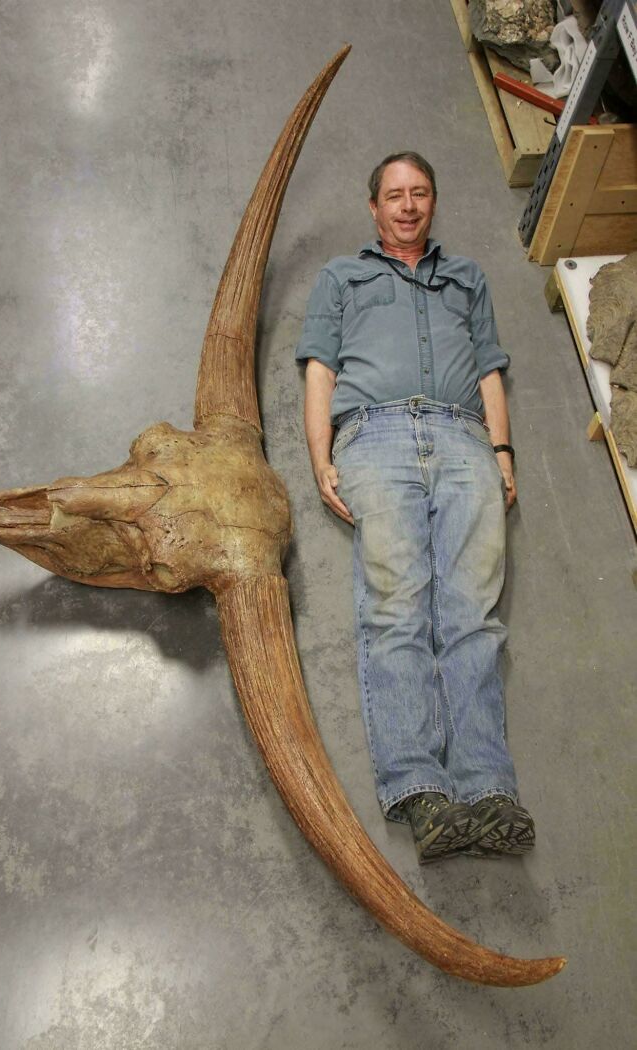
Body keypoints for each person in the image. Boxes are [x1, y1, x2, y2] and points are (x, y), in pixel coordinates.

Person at [295, 151, 535, 863]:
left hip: (464, 441)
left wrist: (502, 451)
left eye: (419, 193)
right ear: (373, 208)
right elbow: (320, 369)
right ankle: (422, 792)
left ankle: (490, 788)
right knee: (398, 606)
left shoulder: (466, 279)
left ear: (433, 202)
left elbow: (490, 370)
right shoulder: (343, 277)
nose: (406, 206)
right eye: (394, 195)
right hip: (376, 437)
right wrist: (320, 456)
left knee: (472, 614)